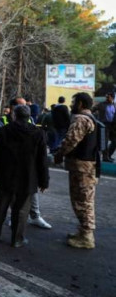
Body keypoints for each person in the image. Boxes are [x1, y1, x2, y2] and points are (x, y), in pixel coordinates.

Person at [0, 105, 49, 248]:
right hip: (28, 179)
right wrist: (44, 181)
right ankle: (17, 239)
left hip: (6, 176)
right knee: (21, 210)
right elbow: (42, 161)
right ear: (29, 117)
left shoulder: (4, 131)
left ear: (14, 115)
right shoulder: (38, 133)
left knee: (1, 206)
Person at [54, 92, 99, 249]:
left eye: (74, 102)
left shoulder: (81, 119)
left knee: (83, 200)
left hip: (82, 167)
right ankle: (83, 232)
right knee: (83, 199)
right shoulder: (91, 118)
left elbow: (71, 140)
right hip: (87, 166)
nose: (72, 105)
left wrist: (59, 154)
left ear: (80, 104)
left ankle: (87, 237)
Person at [92, 92, 116, 162]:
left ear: (112, 97)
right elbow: (92, 110)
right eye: (106, 97)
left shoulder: (114, 105)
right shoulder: (101, 104)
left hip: (113, 126)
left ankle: (109, 155)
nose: (106, 98)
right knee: (104, 142)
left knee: (114, 142)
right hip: (104, 125)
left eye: (108, 97)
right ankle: (105, 157)